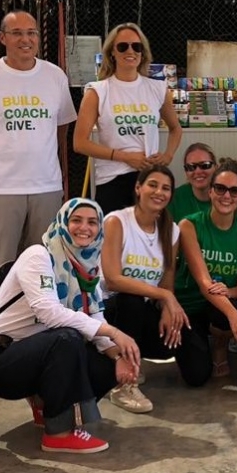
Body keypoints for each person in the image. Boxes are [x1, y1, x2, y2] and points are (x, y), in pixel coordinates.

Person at [0, 198, 143, 454]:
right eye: (76, 220)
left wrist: (118, 356)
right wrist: (114, 333)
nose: (84, 228)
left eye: (92, 222)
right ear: (62, 222)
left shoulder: (88, 265)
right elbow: (49, 313)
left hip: (37, 355)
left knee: (105, 362)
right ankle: (58, 432)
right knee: (67, 338)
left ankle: (47, 405)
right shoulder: (38, 255)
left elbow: (95, 316)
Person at [0, 10, 77, 281]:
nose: (26, 39)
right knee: (0, 268)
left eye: (31, 33)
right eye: (17, 33)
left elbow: (62, 126)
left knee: (45, 267)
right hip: (1, 188)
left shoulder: (55, 76)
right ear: (2, 38)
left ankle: (42, 311)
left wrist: (44, 156)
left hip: (46, 186)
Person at [101, 166, 189, 413]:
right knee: (132, 299)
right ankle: (123, 385)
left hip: (140, 309)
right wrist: (164, 296)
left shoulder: (172, 230)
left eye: (166, 188)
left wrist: (167, 309)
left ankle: (130, 361)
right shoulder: (117, 221)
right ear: (138, 188)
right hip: (107, 310)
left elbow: (167, 282)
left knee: (174, 340)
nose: (159, 192)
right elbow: (112, 279)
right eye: (153, 185)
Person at [72, 22, 183, 213]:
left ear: (143, 52)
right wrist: (124, 157)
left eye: (136, 46)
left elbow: (176, 128)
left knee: (149, 232)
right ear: (112, 53)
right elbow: (79, 143)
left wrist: (167, 156)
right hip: (112, 180)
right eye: (123, 46)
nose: (130, 51)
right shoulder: (97, 91)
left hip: (149, 178)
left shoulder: (157, 88)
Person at [176, 159, 237, 384]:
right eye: (220, 188)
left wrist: (229, 293)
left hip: (223, 305)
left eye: (234, 190)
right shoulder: (189, 225)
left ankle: (220, 346)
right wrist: (234, 316)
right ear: (211, 192)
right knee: (196, 376)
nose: (227, 196)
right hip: (192, 304)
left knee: (225, 308)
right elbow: (204, 282)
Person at [167, 142, 237, 228]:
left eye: (205, 165)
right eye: (191, 167)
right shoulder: (175, 198)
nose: (198, 171)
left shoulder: (234, 195)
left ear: (216, 167)